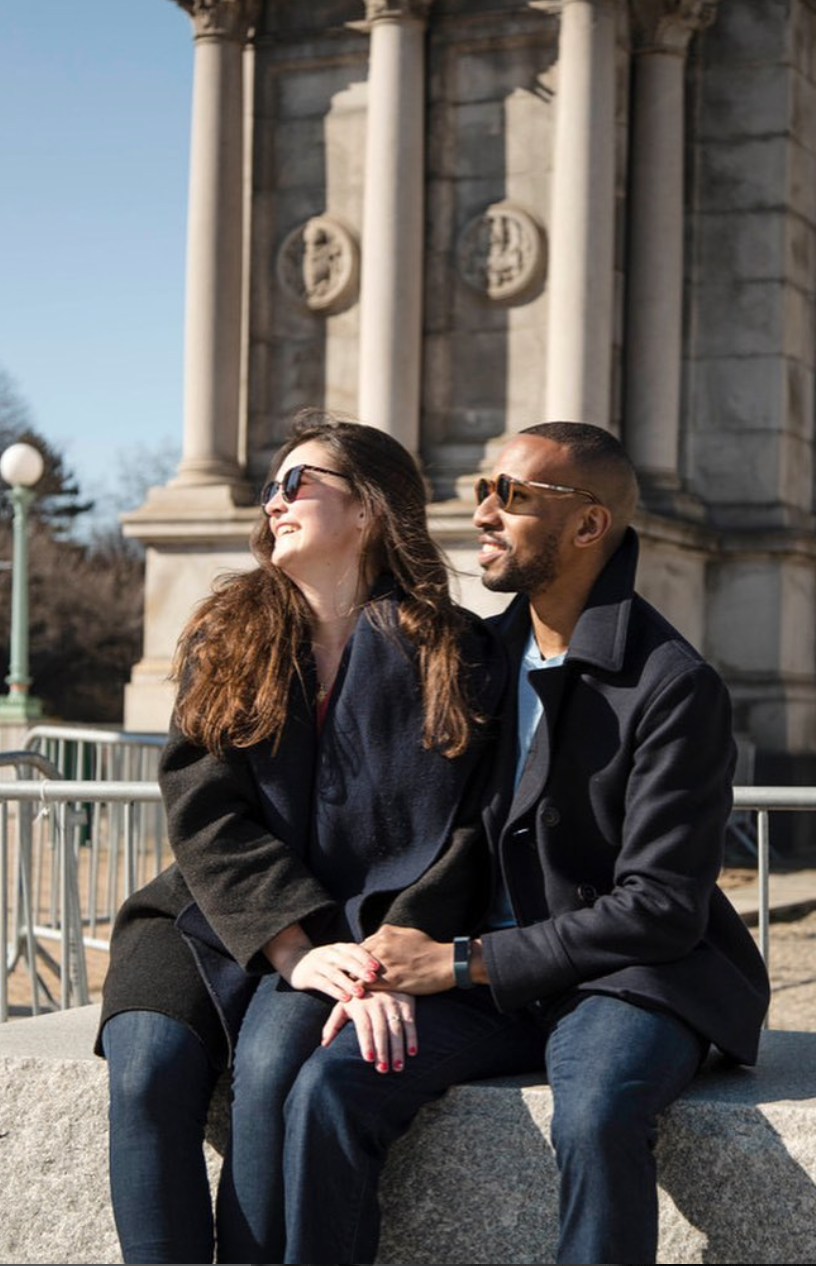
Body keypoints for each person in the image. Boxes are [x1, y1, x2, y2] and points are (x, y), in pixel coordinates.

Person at [286, 420, 771, 1265]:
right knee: (332, 1085)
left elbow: (659, 909)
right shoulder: (476, 653)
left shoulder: (673, 685)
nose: (482, 513)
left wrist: (461, 962)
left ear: (588, 525)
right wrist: (393, 947)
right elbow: (431, 830)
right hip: (486, 976)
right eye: (481, 490)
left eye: (510, 496)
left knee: (596, 1112)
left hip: (626, 977)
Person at [96, 413, 504, 1264]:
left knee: (275, 1073)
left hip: (358, 926)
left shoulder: (453, 651)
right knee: (145, 1074)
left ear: (369, 510)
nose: (273, 502)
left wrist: (392, 956)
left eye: (297, 482)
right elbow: (203, 807)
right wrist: (286, 944)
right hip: (213, 912)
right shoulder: (230, 632)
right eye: (270, 487)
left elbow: (471, 827)